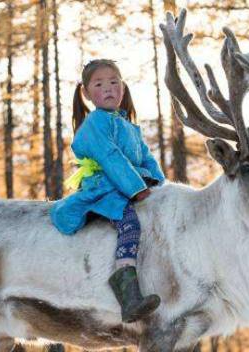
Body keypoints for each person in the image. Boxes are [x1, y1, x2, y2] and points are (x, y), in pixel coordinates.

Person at [49, 59, 165, 323]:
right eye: (100, 84)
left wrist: (158, 183)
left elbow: (146, 158)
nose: (109, 88)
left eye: (114, 82)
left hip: (126, 184)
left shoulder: (127, 125)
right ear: (87, 94)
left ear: (123, 87)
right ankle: (128, 294)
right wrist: (136, 189)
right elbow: (110, 157)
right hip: (107, 189)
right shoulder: (95, 124)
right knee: (130, 224)